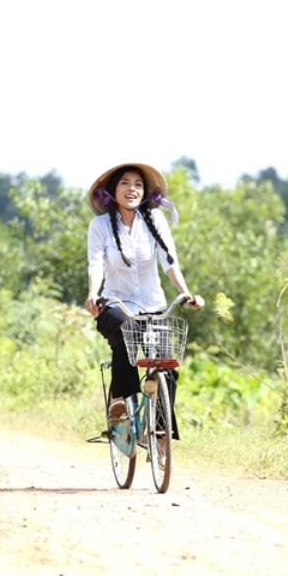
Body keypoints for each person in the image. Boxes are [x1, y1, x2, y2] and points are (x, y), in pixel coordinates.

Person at [85, 163, 204, 444]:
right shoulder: (100, 226)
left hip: (154, 304)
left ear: (145, 191)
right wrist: (93, 293)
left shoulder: (154, 221)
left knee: (167, 363)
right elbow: (96, 264)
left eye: (138, 184)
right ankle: (121, 404)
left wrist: (187, 293)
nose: (132, 189)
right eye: (125, 183)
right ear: (112, 191)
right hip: (116, 302)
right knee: (125, 333)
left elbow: (169, 262)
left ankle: (160, 429)